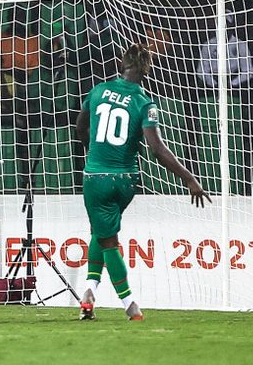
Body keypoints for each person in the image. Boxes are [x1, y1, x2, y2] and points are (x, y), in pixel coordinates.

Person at [75, 44, 210, 321]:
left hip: (96, 177)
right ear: (146, 70)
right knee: (101, 232)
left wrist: (93, 150)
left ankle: (130, 305)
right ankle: (89, 292)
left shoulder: (98, 91)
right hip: (126, 180)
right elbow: (157, 150)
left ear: (121, 65)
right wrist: (190, 178)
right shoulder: (145, 104)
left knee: (108, 239)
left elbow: (80, 127)